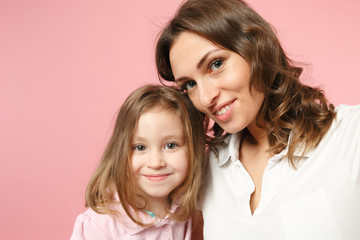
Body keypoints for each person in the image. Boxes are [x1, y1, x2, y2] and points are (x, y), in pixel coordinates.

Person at [155, 0, 360, 239]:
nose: (205, 97)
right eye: (190, 84)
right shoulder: (207, 168)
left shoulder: (350, 136)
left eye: (216, 64)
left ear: (257, 48)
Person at [70, 84, 206, 240]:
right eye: (140, 147)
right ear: (120, 152)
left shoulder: (194, 209)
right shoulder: (99, 225)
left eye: (171, 145)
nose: (156, 163)